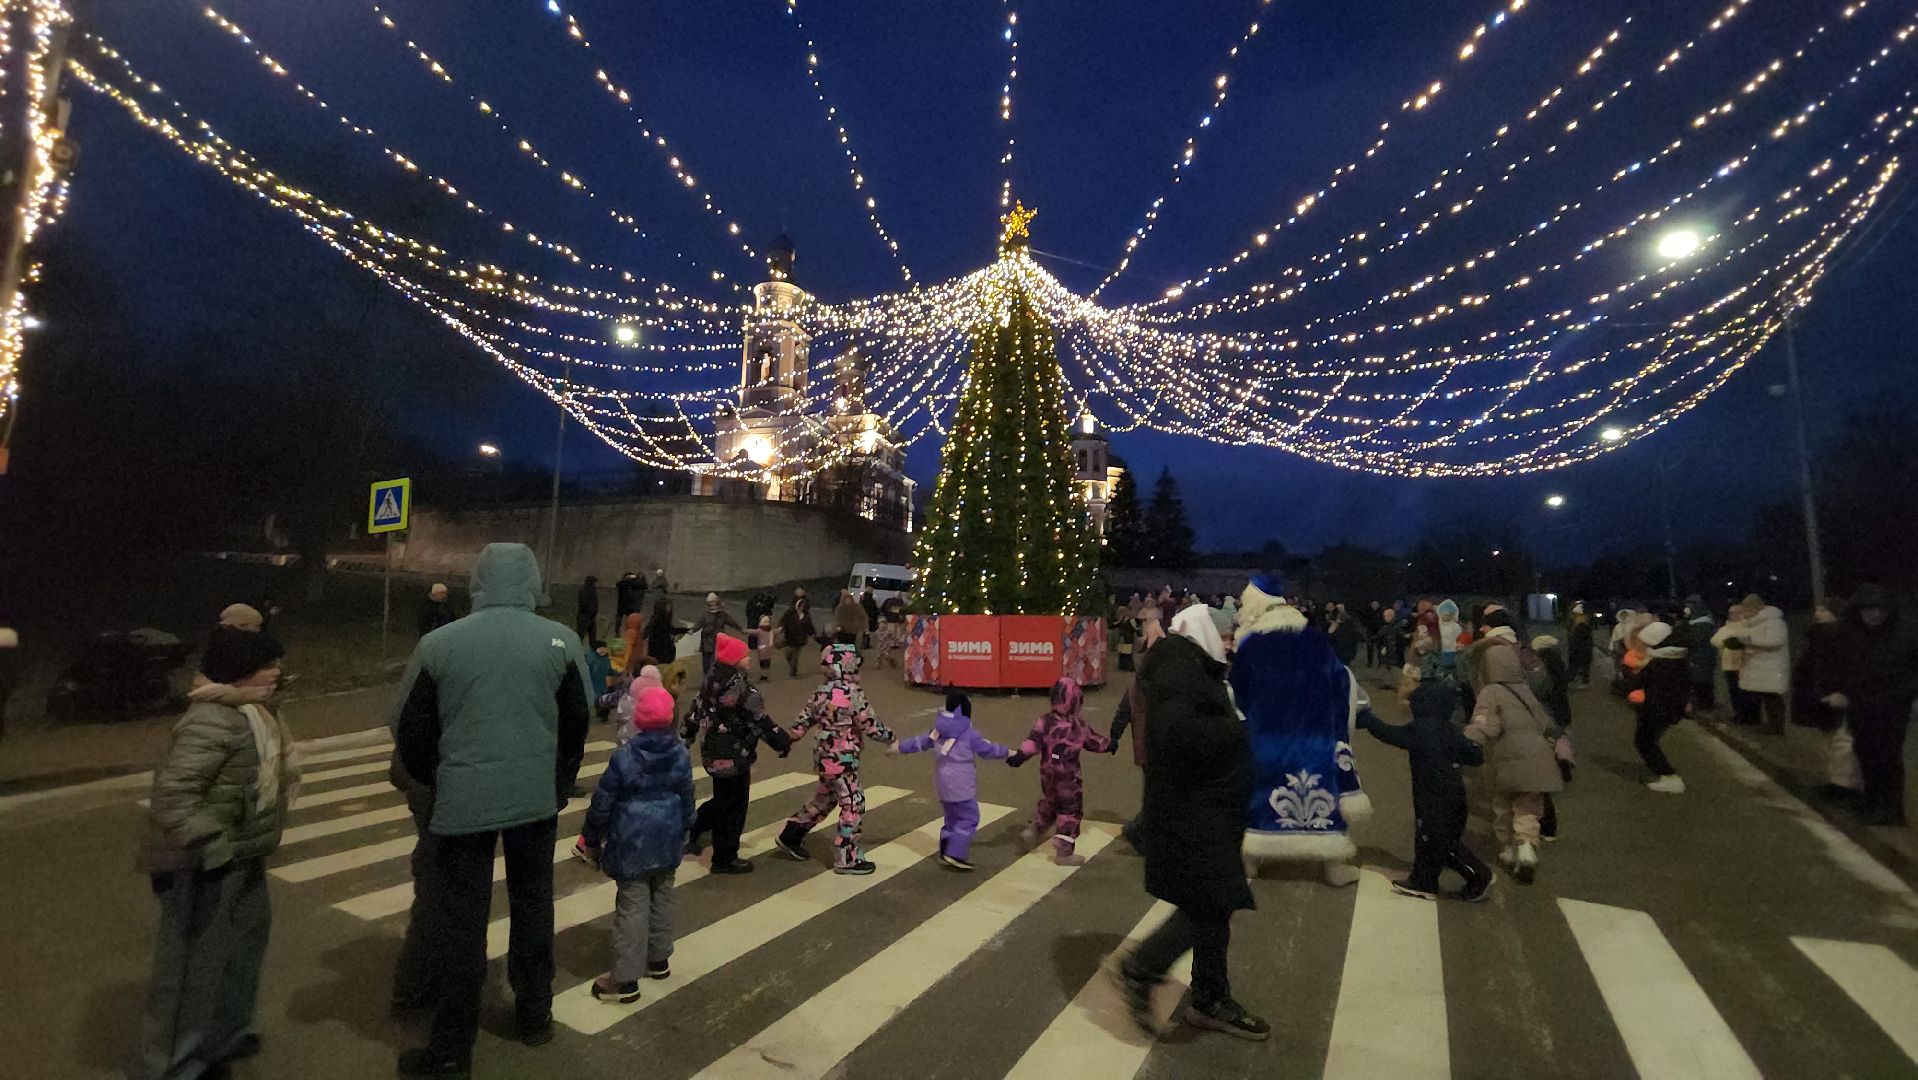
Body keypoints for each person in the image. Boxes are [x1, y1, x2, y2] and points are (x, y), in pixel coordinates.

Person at [390, 543, 593, 1076]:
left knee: (463, 917)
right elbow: (578, 721)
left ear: (478, 580)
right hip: (534, 801)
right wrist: (557, 783)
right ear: (531, 580)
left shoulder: (439, 643)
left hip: (463, 799)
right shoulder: (561, 641)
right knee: (532, 902)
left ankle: (454, 1044)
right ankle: (534, 1013)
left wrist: (442, 777)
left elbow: (408, 727)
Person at [137, 627, 297, 1080]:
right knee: (190, 971)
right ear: (241, 673)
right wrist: (214, 848)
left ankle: (224, 1038)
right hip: (201, 864)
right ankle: (174, 1065)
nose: (277, 673)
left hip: (243, 858)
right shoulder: (212, 721)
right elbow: (174, 797)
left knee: (240, 954)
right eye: (269, 666)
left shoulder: (256, 715)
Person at [1112, 593, 1268, 1042]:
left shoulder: (1189, 667)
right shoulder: (1181, 670)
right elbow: (1174, 734)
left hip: (1205, 811)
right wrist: (1237, 732)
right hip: (1192, 814)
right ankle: (1144, 968)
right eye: (1222, 634)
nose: (1228, 642)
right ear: (1202, 634)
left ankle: (1209, 998)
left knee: (1213, 907)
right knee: (1211, 905)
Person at [1231, 577, 1371, 886]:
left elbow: (1238, 691)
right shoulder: (1316, 641)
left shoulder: (1252, 645)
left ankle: (1250, 861)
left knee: (1258, 797)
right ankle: (1334, 868)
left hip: (1267, 739)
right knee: (1324, 794)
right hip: (1315, 738)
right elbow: (1341, 682)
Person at [579, 687, 695, 1002]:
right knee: (663, 896)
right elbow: (687, 795)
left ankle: (625, 980)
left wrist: (591, 837)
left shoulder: (626, 756)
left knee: (632, 904)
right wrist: (686, 826)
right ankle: (658, 959)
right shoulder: (680, 753)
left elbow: (603, 802)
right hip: (668, 834)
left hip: (632, 839)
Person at [1357, 679, 1492, 901]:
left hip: (1433, 797)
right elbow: (1475, 755)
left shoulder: (1421, 729)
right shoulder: (1449, 730)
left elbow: (1390, 734)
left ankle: (1478, 875)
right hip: (1454, 795)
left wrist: (1368, 720)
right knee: (1433, 842)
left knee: (1438, 843)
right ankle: (1424, 881)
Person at [775, 644, 895, 874]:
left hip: (823, 755)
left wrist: (787, 741)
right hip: (843, 758)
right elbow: (870, 725)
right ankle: (846, 857)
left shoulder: (821, 691)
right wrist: (891, 738)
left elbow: (802, 721)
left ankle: (791, 834)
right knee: (853, 803)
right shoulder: (852, 693)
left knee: (826, 798)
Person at [681, 635, 791, 873]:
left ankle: (695, 828)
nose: (749, 658)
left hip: (712, 753)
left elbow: (694, 712)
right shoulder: (742, 689)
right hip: (735, 756)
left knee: (722, 799)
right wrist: (782, 742)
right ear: (733, 659)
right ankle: (724, 858)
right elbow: (760, 721)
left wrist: (685, 738)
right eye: (744, 655)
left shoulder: (710, 682)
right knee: (734, 808)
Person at [1462, 630, 1565, 884]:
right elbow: (1544, 722)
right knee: (1528, 808)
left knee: (1503, 806)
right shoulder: (1524, 689)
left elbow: (1486, 725)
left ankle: (1508, 850)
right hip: (1537, 759)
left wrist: (1465, 741)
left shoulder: (1491, 692)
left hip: (1505, 758)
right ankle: (1528, 847)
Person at [1815, 586, 1918, 825]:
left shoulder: (1904, 634)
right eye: (1869, 609)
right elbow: (1836, 665)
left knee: (1887, 756)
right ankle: (1871, 799)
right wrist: (1837, 691)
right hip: (1859, 704)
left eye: (1880, 610)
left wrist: (1906, 693)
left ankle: (1890, 808)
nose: (1875, 615)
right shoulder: (1850, 635)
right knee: (1865, 753)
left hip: (1891, 705)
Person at [892, 691, 1011, 870]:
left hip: (943, 782)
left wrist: (898, 748)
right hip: (961, 783)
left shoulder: (938, 729)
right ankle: (955, 853)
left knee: (952, 817)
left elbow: (920, 742)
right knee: (969, 817)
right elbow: (989, 750)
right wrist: (1010, 752)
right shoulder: (970, 734)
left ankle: (946, 848)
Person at [1008, 676, 1115, 866]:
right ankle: (1064, 853)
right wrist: (1110, 745)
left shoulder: (1044, 721)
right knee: (1070, 811)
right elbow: (1096, 743)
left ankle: (1033, 831)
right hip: (1069, 776)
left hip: (1047, 772)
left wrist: (1019, 756)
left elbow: (1032, 744)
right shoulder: (1078, 726)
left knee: (1050, 802)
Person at [1633, 621, 1692, 794]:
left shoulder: (1658, 663)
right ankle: (1663, 771)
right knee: (1648, 740)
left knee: (1644, 741)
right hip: (1670, 707)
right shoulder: (1676, 658)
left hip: (1658, 708)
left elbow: (1637, 682)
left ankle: (1669, 776)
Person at [1735, 596, 1791, 733]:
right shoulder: (1751, 623)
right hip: (1761, 666)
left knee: (1773, 697)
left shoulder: (1773, 622)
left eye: (1749, 609)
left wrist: (1749, 640)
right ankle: (1771, 724)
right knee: (1767, 697)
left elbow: (1775, 641)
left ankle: (1777, 726)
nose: (1746, 612)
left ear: (1758, 607)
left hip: (1771, 666)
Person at [1714, 601, 1759, 726]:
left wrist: (1730, 641)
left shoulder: (1746, 626)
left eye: (1735, 613)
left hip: (1743, 663)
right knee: (1734, 690)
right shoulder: (1726, 627)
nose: (1732, 615)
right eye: (1731, 613)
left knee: (1745, 692)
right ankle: (1739, 714)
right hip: (1729, 663)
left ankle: (1748, 716)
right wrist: (1727, 641)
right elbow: (1715, 640)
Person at [1683, 595, 1718, 714]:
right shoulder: (1694, 621)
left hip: (1703, 655)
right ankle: (1702, 702)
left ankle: (1706, 704)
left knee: (1703, 679)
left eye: (1691, 604)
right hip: (1698, 654)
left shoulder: (1703, 623)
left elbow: (1697, 639)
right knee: (1698, 679)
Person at [694, 593, 743, 678]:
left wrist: (740, 629)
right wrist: (691, 630)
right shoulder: (705, 614)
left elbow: (732, 622)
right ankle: (708, 678)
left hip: (718, 641)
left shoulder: (722, 614)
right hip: (707, 642)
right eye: (710, 602)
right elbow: (698, 624)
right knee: (706, 663)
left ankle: (716, 678)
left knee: (717, 662)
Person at [779, 594, 819, 677]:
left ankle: (793, 671)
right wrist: (780, 628)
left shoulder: (806, 616)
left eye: (803, 605)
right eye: (801, 605)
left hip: (800, 639)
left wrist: (813, 634)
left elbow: (809, 626)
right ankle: (792, 666)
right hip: (789, 637)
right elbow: (783, 622)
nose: (802, 607)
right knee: (788, 653)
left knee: (795, 655)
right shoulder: (789, 613)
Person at [644, 598, 688, 667]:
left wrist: (685, 630)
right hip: (661, 649)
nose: (669, 609)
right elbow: (671, 630)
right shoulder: (657, 620)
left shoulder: (661, 619)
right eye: (667, 607)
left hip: (663, 648)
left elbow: (671, 630)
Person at [874, 594, 908, 669]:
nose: (882, 626)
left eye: (883, 625)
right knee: (878, 656)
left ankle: (892, 661)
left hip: (886, 647)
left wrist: (895, 640)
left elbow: (892, 636)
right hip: (880, 647)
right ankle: (878, 665)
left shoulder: (887, 632)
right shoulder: (877, 631)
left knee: (886, 656)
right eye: (880, 625)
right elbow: (875, 637)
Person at [1567, 603, 1595, 686]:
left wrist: (1573, 649)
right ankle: (1578, 679)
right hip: (1582, 650)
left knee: (1580, 666)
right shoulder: (1579, 626)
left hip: (1580, 650)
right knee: (1582, 666)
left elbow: (1580, 640)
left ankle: (1582, 681)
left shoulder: (1581, 627)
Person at [576, 575, 600, 647]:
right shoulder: (587, 591)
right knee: (581, 636)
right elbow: (584, 604)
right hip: (585, 617)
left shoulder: (591, 591)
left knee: (590, 637)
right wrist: (590, 614)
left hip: (589, 617)